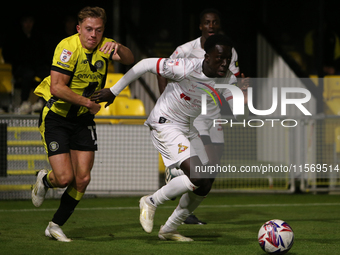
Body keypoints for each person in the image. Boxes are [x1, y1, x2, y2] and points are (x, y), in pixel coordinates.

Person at [92, 34, 248, 241]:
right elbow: (146, 64)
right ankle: (151, 201)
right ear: (207, 56)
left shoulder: (229, 78)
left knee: (206, 182)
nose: (224, 62)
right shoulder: (186, 67)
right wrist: (114, 91)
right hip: (165, 122)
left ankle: (169, 229)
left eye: (228, 58)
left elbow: (234, 109)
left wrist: (244, 97)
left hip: (188, 127)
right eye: (219, 57)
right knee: (198, 176)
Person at [31, 6, 134, 242]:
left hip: (83, 120)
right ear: (79, 29)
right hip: (57, 117)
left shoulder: (105, 45)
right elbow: (57, 88)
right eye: (88, 29)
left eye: (98, 30)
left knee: (83, 178)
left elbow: (130, 59)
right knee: (64, 178)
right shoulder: (68, 47)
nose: (93, 35)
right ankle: (44, 179)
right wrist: (87, 103)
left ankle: (55, 225)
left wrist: (118, 46)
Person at [157, 8, 243, 225]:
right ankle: (178, 180)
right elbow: (162, 71)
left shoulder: (229, 52)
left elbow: (233, 80)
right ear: (200, 26)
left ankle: (184, 207)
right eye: (207, 22)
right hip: (195, 115)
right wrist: (164, 100)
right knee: (203, 169)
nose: (211, 26)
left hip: (215, 114)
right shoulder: (186, 50)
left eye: (215, 22)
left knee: (212, 171)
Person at [2, 14, 50, 114]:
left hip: (35, 66)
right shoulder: (15, 36)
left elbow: (42, 54)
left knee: (48, 74)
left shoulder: (37, 36)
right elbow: (8, 54)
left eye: (30, 22)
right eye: (26, 22)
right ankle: (24, 102)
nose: (28, 24)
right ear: (22, 23)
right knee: (28, 74)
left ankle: (41, 101)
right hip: (20, 67)